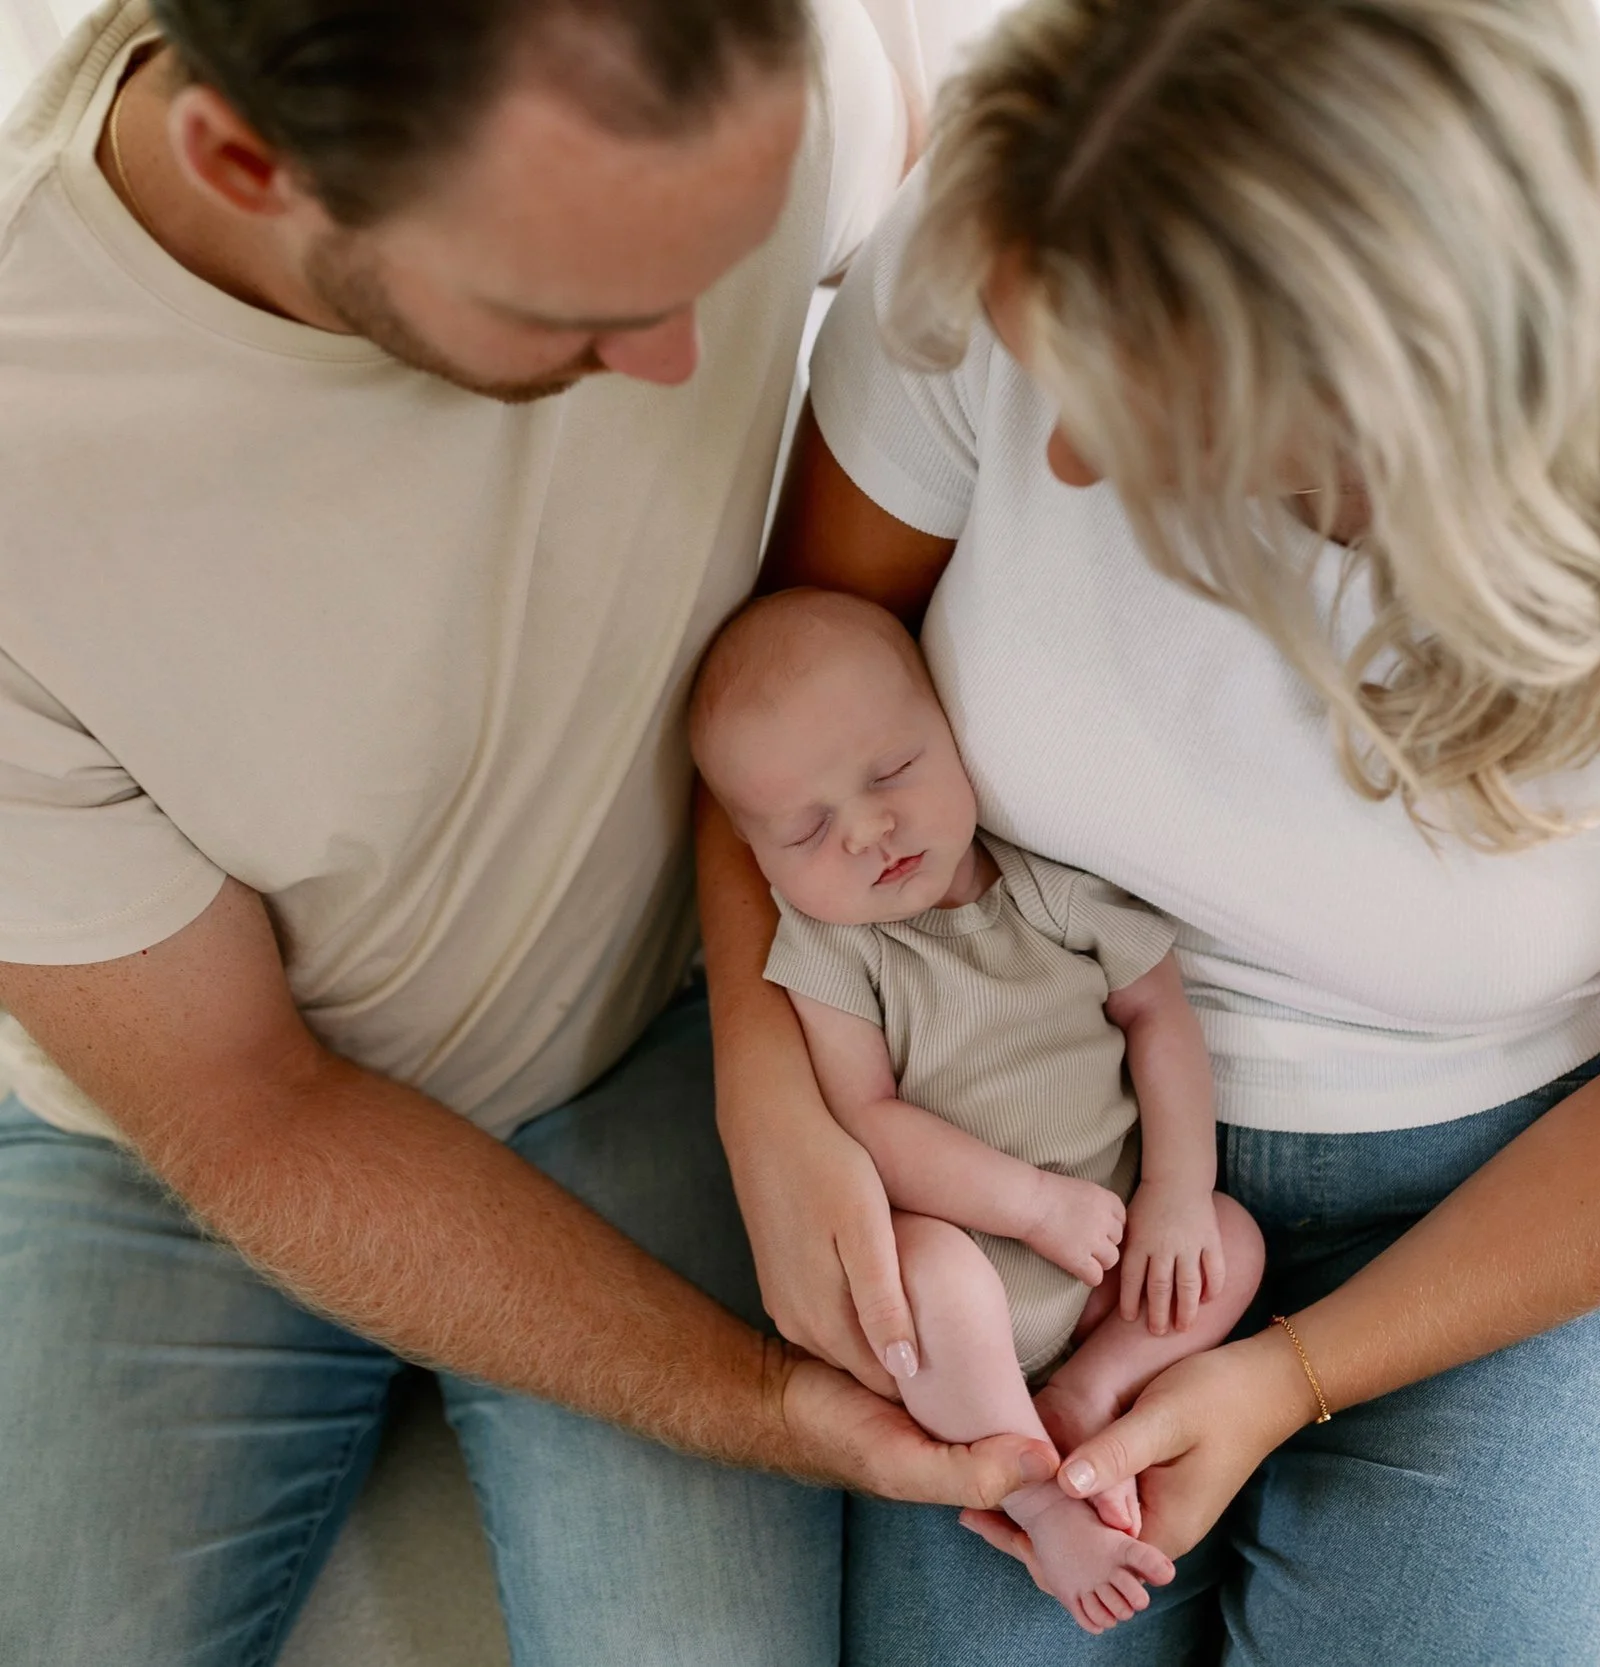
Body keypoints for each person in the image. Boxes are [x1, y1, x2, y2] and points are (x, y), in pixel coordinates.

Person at [0, 1, 1048, 1663]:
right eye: (580, 307)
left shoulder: (769, 83)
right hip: (186, 1117)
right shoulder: (28, 462)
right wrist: (762, 1407)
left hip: (642, 1047)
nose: (683, 363)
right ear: (242, 160)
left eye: (727, 259)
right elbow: (249, 1109)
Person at [697, 0, 1600, 1661]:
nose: (1057, 454)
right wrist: (765, 1084)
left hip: (1499, 1212)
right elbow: (774, 711)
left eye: (1137, 411)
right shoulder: (1026, 223)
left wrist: (1289, 1374)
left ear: (1388, 405)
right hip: (1023, 1146)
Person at [689, 586, 1265, 1633]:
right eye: (807, 829)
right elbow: (864, 1118)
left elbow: (1158, 1016)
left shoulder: (1045, 886)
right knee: (931, 1273)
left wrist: (1177, 1193)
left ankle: (1087, 1395)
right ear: (755, 855)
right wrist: (1034, 1205)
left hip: (1115, 1259)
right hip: (974, 1286)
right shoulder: (830, 951)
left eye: (892, 769)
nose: (868, 828)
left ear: (950, 727)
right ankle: (1037, 1489)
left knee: (1229, 1242)